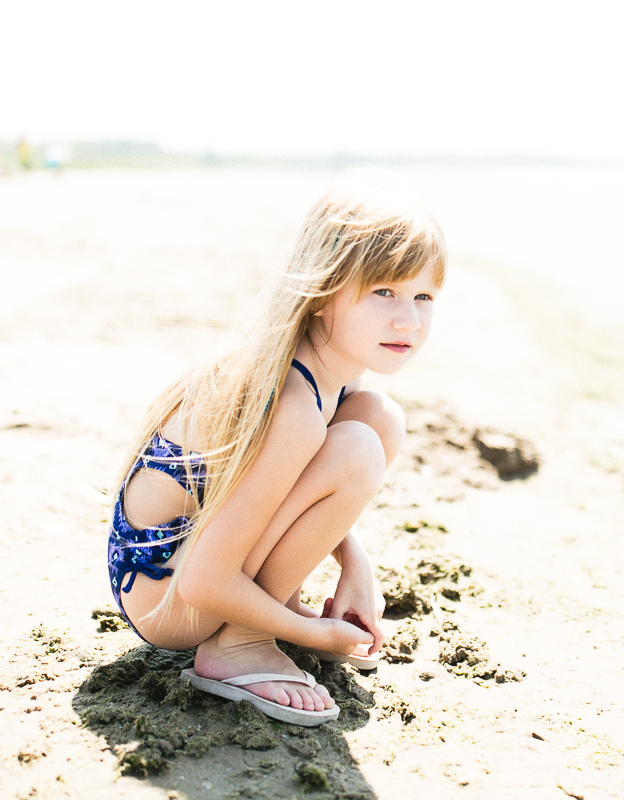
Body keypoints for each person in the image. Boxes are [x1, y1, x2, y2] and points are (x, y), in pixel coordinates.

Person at [106, 175, 445, 726]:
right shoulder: (293, 404)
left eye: (423, 296)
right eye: (383, 292)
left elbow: (290, 487)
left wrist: (356, 567)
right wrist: (317, 632)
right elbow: (204, 581)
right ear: (321, 294)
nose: (408, 318)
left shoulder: (333, 381)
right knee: (359, 447)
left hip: (192, 562)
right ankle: (238, 646)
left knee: (379, 421)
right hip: (168, 593)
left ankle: (258, 621)